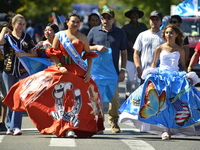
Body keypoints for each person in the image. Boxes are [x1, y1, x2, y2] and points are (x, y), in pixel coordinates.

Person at [3, 13, 104, 138]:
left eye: (78, 21)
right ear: (67, 22)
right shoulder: (60, 36)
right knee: (59, 99)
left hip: (78, 71)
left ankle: (76, 127)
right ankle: (65, 127)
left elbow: (88, 55)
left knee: (81, 99)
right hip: (62, 70)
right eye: (73, 21)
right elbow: (53, 53)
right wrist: (60, 65)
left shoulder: (83, 37)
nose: (76, 23)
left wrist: (88, 71)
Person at [119, 24, 200, 140]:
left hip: (175, 78)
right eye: (167, 33)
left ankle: (171, 127)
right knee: (160, 103)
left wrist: (188, 76)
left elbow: (182, 66)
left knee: (176, 103)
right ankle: (165, 130)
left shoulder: (180, 49)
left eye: (171, 33)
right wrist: (150, 74)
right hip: (161, 76)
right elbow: (153, 64)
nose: (169, 35)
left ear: (176, 34)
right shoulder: (160, 48)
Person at [87, 8, 129, 133]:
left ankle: (114, 121)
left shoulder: (120, 33)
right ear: (101, 19)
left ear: (113, 19)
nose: (106, 20)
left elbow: (124, 52)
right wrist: (96, 47)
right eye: (104, 17)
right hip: (96, 72)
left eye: (108, 17)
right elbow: (86, 48)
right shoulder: (94, 31)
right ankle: (99, 123)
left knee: (114, 99)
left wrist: (122, 70)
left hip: (113, 72)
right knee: (96, 98)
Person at [0, 14, 37, 135]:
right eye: (19, 23)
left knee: (19, 98)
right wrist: (4, 29)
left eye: (23, 24)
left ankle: (16, 126)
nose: (21, 26)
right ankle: (10, 126)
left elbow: (35, 54)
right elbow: (0, 42)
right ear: (14, 24)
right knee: (10, 98)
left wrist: (24, 54)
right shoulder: (7, 36)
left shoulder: (27, 37)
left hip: (23, 72)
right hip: (9, 71)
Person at [122, 7, 148, 99]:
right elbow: (122, 41)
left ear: (138, 16)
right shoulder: (125, 28)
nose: (134, 15)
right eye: (132, 13)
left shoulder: (143, 27)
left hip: (141, 57)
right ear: (129, 16)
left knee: (139, 79)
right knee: (129, 80)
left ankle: (138, 97)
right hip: (129, 56)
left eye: (136, 14)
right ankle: (128, 95)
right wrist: (128, 43)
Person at [134, 10, 164, 84]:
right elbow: (136, 53)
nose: (154, 21)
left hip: (159, 73)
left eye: (157, 19)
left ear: (161, 22)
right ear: (149, 21)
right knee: (144, 95)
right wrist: (138, 68)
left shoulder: (165, 36)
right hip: (144, 72)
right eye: (152, 19)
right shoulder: (142, 35)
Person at [0, 13, 11, 131]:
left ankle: (2, 122)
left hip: (5, 69)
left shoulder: (9, 35)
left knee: (4, 96)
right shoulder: (3, 34)